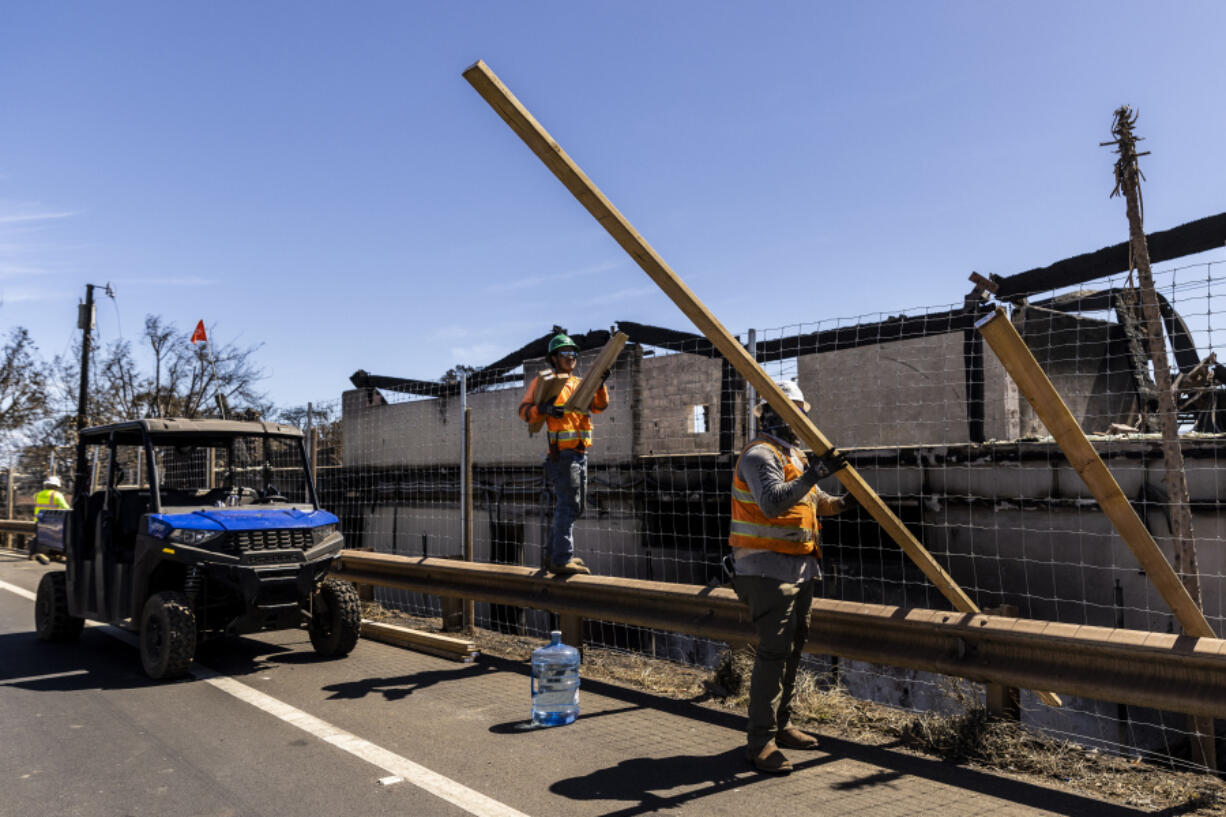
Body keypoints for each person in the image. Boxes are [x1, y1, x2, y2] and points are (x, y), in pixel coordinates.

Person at [729, 380, 854, 774]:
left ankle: (781, 725)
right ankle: (760, 741)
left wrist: (850, 501)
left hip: (801, 568)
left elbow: (817, 504)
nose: (802, 420)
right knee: (772, 653)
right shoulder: (760, 455)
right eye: (796, 412)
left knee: (792, 648)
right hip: (766, 570)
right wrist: (814, 474)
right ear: (774, 413)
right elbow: (771, 504)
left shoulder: (794, 456)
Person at [518, 332, 610, 575]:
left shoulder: (580, 384)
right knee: (568, 505)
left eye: (573, 354)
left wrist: (600, 385)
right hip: (562, 456)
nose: (571, 358)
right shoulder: (545, 383)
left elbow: (599, 407)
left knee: (575, 507)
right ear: (554, 358)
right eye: (565, 354)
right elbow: (524, 411)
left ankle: (554, 554)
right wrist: (545, 408)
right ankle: (561, 558)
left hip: (580, 454)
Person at [32, 476, 71, 564]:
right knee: (55, 539)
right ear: (56, 486)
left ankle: (33, 554)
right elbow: (65, 507)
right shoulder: (57, 495)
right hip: (52, 522)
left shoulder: (37, 494)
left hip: (39, 519)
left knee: (39, 537)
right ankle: (57, 555)